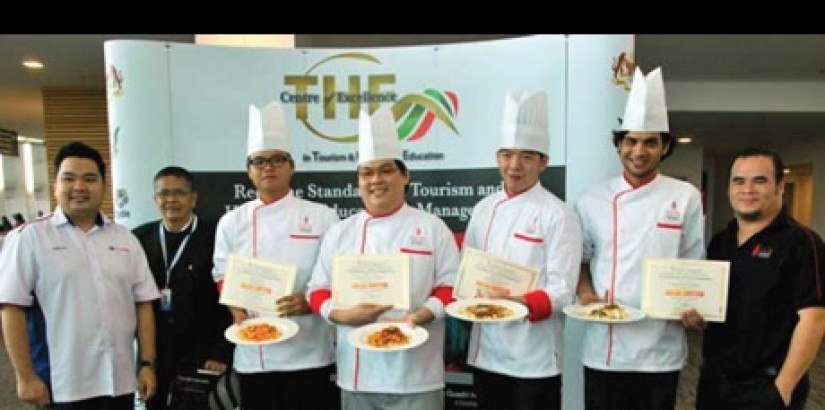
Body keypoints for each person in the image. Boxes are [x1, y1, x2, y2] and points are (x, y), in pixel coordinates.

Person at [307, 107, 460, 410]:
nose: (375, 180)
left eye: (386, 170)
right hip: (358, 374)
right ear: (358, 181)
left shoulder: (431, 227)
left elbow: (451, 286)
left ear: (405, 176)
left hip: (417, 373)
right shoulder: (340, 232)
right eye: (366, 173)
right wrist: (339, 315)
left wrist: (422, 315)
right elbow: (317, 290)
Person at [574, 67, 705, 410]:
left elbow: (694, 265)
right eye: (631, 141)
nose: (639, 150)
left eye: (650, 142)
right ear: (619, 145)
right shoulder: (592, 199)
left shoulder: (686, 196)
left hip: (660, 349)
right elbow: (582, 260)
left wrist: (697, 305)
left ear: (664, 147)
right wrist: (586, 292)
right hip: (605, 348)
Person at [0, 141, 160, 409]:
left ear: (103, 185)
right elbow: (11, 309)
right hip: (61, 384)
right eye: (69, 178)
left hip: (118, 382)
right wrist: (24, 377)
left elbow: (143, 304)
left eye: (89, 179)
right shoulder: (29, 238)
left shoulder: (125, 239)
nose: (79, 187)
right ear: (56, 185)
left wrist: (146, 364)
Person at [212, 101, 340, 410]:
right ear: (249, 171)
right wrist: (235, 307)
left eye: (277, 160)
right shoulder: (232, 221)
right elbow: (221, 274)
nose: (268, 167)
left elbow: (339, 274)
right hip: (255, 351)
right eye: (259, 161)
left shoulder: (323, 216)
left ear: (291, 166)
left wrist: (309, 301)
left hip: (309, 350)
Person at [461, 91, 582, 410]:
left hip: (533, 359)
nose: (514, 165)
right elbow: (467, 271)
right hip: (486, 352)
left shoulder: (559, 214)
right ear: (497, 157)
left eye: (527, 156)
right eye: (507, 154)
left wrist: (516, 304)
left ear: (544, 162)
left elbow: (563, 292)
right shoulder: (483, 209)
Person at [690, 147, 825, 410]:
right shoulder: (721, 242)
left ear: (780, 187)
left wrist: (783, 389)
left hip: (768, 386)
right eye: (738, 181)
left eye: (759, 180)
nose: (747, 189)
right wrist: (698, 317)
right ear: (729, 188)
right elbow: (718, 307)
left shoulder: (802, 243)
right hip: (714, 384)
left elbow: (815, 320)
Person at [132, 166, 234, 410]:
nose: (171, 200)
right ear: (155, 199)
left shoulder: (216, 236)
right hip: (157, 355)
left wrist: (221, 351)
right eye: (163, 194)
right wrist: (145, 362)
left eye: (179, 193)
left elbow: (231, 294)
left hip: (206, 355)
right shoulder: (138, 239)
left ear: (193, 198)